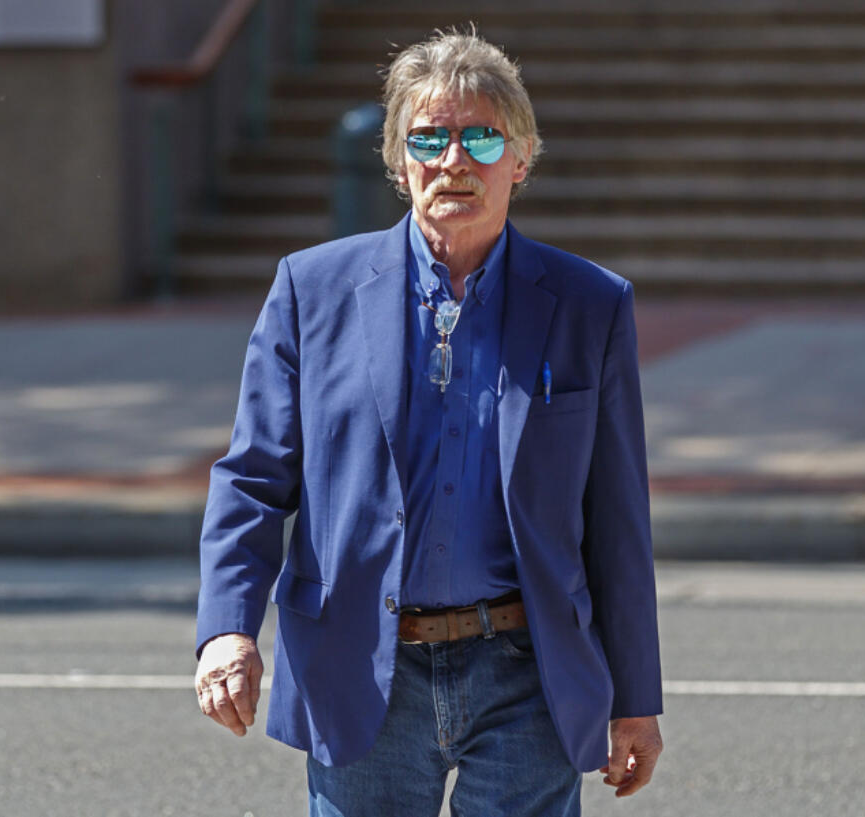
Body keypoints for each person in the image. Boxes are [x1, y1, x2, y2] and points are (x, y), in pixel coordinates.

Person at [194, 28, 663, 816]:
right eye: (430, 138)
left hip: (527, 669)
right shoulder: (312, 291)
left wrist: (636, 696)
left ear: (520, 159)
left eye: (482, 137)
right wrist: (226, 629)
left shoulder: (590, 305)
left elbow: (617, 517)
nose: (455, 161)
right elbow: (253, 477)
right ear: (397, 159)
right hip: (361, 665)